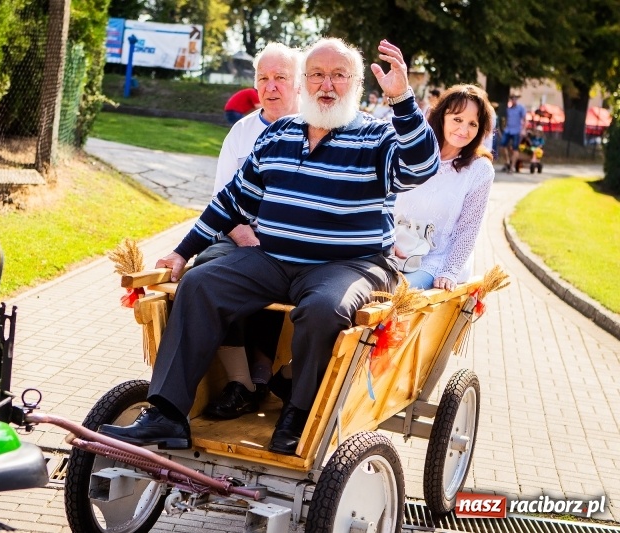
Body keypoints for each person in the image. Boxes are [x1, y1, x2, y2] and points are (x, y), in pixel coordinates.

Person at [99, 37, 440, 455]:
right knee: (201, 284)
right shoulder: (278, 134)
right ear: (305, 82)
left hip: (351, 263)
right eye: (316, 74)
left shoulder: (377, 136)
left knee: (323, 309)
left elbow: (422, 167)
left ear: (354, 84)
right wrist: (182, 252)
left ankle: (299, 414)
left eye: (338, 75)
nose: (326, 85)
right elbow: (232, 200)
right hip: (275, 258)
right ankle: (167, 414)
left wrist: (403, 98)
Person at [195, 42, 302, 419]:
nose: (271, 87)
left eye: (281, 78)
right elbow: (221, 197)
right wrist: (242, 234)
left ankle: (269, 377)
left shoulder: (316, 129)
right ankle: (241, 382)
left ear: (298, 83)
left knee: (281, 274)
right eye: (264, 79)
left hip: (290, 243)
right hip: (239, 233)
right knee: (206, 271)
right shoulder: (241, 132)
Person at [394, 85, 496, 291]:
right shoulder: (412, 151)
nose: (463, 130)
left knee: (392, 293)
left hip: (434, 261)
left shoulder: (480, 170)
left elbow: (468, 229)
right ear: (441, 117)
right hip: (391, 249)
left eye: (472, 124)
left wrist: (449, 270)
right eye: (457, 119)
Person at [500, 93, 526, 173]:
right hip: (508, 130)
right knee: (502, 146)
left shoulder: (521, 108)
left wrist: (523, 129)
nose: (514, 100)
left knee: (515, 148)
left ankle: (512, 167)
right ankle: (507, 162)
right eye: (512, 98)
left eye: (515, 98)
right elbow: (507, 119)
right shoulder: (509, 109)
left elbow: (524, 119)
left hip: (516, 130)